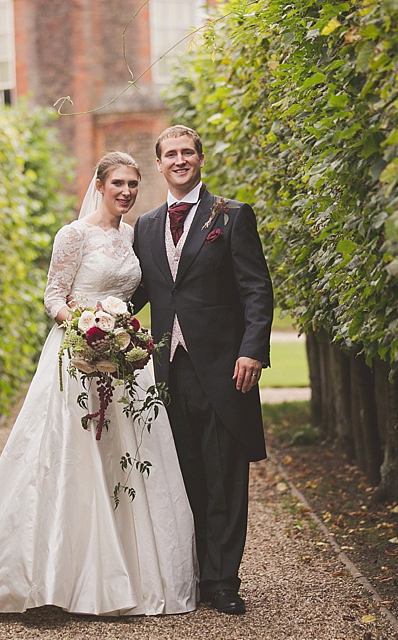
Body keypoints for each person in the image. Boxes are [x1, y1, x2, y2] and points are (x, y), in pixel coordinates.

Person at [0, 151, 197, 617]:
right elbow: (53, 297)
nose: (126, 192)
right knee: (68, 458)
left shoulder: (134, 236)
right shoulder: (73, 235)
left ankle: (132, 576)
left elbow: (135, 294)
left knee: (130, 458)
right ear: (99, 185)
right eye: (118, 183)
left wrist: (121, 336)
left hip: (123, 360)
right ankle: (54, 580)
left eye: (133, 185)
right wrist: (87, 326)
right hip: (76, 354)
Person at [132, 125, 274, 616]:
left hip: (224, 367)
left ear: (201, 158)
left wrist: (252, 350)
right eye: (169, 154)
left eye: (186, 152)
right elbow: (141, 294)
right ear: (159, 164)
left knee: (225, 476)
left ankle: (224, 580)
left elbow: (257, 288)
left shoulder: (232, 216)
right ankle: (191, 573)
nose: (179, 160)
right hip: (167, 372)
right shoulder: (146, 226)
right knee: (185, 472)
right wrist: (96, 318)